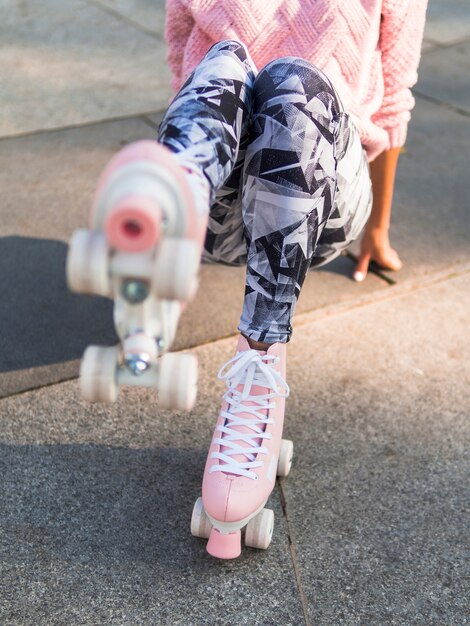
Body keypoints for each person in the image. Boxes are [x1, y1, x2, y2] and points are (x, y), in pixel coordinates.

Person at [75, 1, 428, 558]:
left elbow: (392, 107)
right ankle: (171, 212)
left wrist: (377, 232)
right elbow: (184, 80)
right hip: (220, 208)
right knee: (221, 66)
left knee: (295, 82)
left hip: (319, 201)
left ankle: (259, 364)